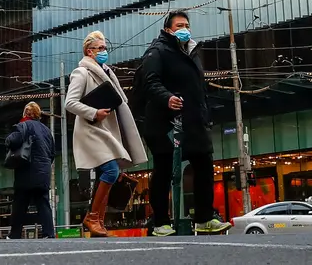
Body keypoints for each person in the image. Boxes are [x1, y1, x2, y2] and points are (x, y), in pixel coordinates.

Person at [136, 12, 230, 236]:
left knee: (204, 163)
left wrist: (204, 114)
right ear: (168, 29)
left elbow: (198, 88)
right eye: (179, 25)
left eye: (187, 25)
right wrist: (166, 97)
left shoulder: (192, 51)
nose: (184, 28)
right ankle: (160, 221)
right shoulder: (157, 51)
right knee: (164, 169)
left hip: (194, 120)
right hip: (165, 122)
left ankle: (204, 218)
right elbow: (149, 82)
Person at [65, 31, 146, 237]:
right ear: (88, 51)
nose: (104, 52)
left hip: (105, 129)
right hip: (92, 129)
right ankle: (92, 217)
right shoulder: (81, 73)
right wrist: (94, 113)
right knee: (111, 170)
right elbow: (70, 103)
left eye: (105, 48)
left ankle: (98, 220)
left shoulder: (107, 72)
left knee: (109, 172)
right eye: (100, 48)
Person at [6, 102, 56, 239]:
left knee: (20, 203)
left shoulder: (23, 125)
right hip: (43, 173)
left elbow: (12, 141)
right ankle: (49, 233)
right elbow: (52, 153)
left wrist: (9, 138)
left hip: (26, 172)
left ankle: (15, 234)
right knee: (43, 202)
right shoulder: (46, 130)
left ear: (25, 113)